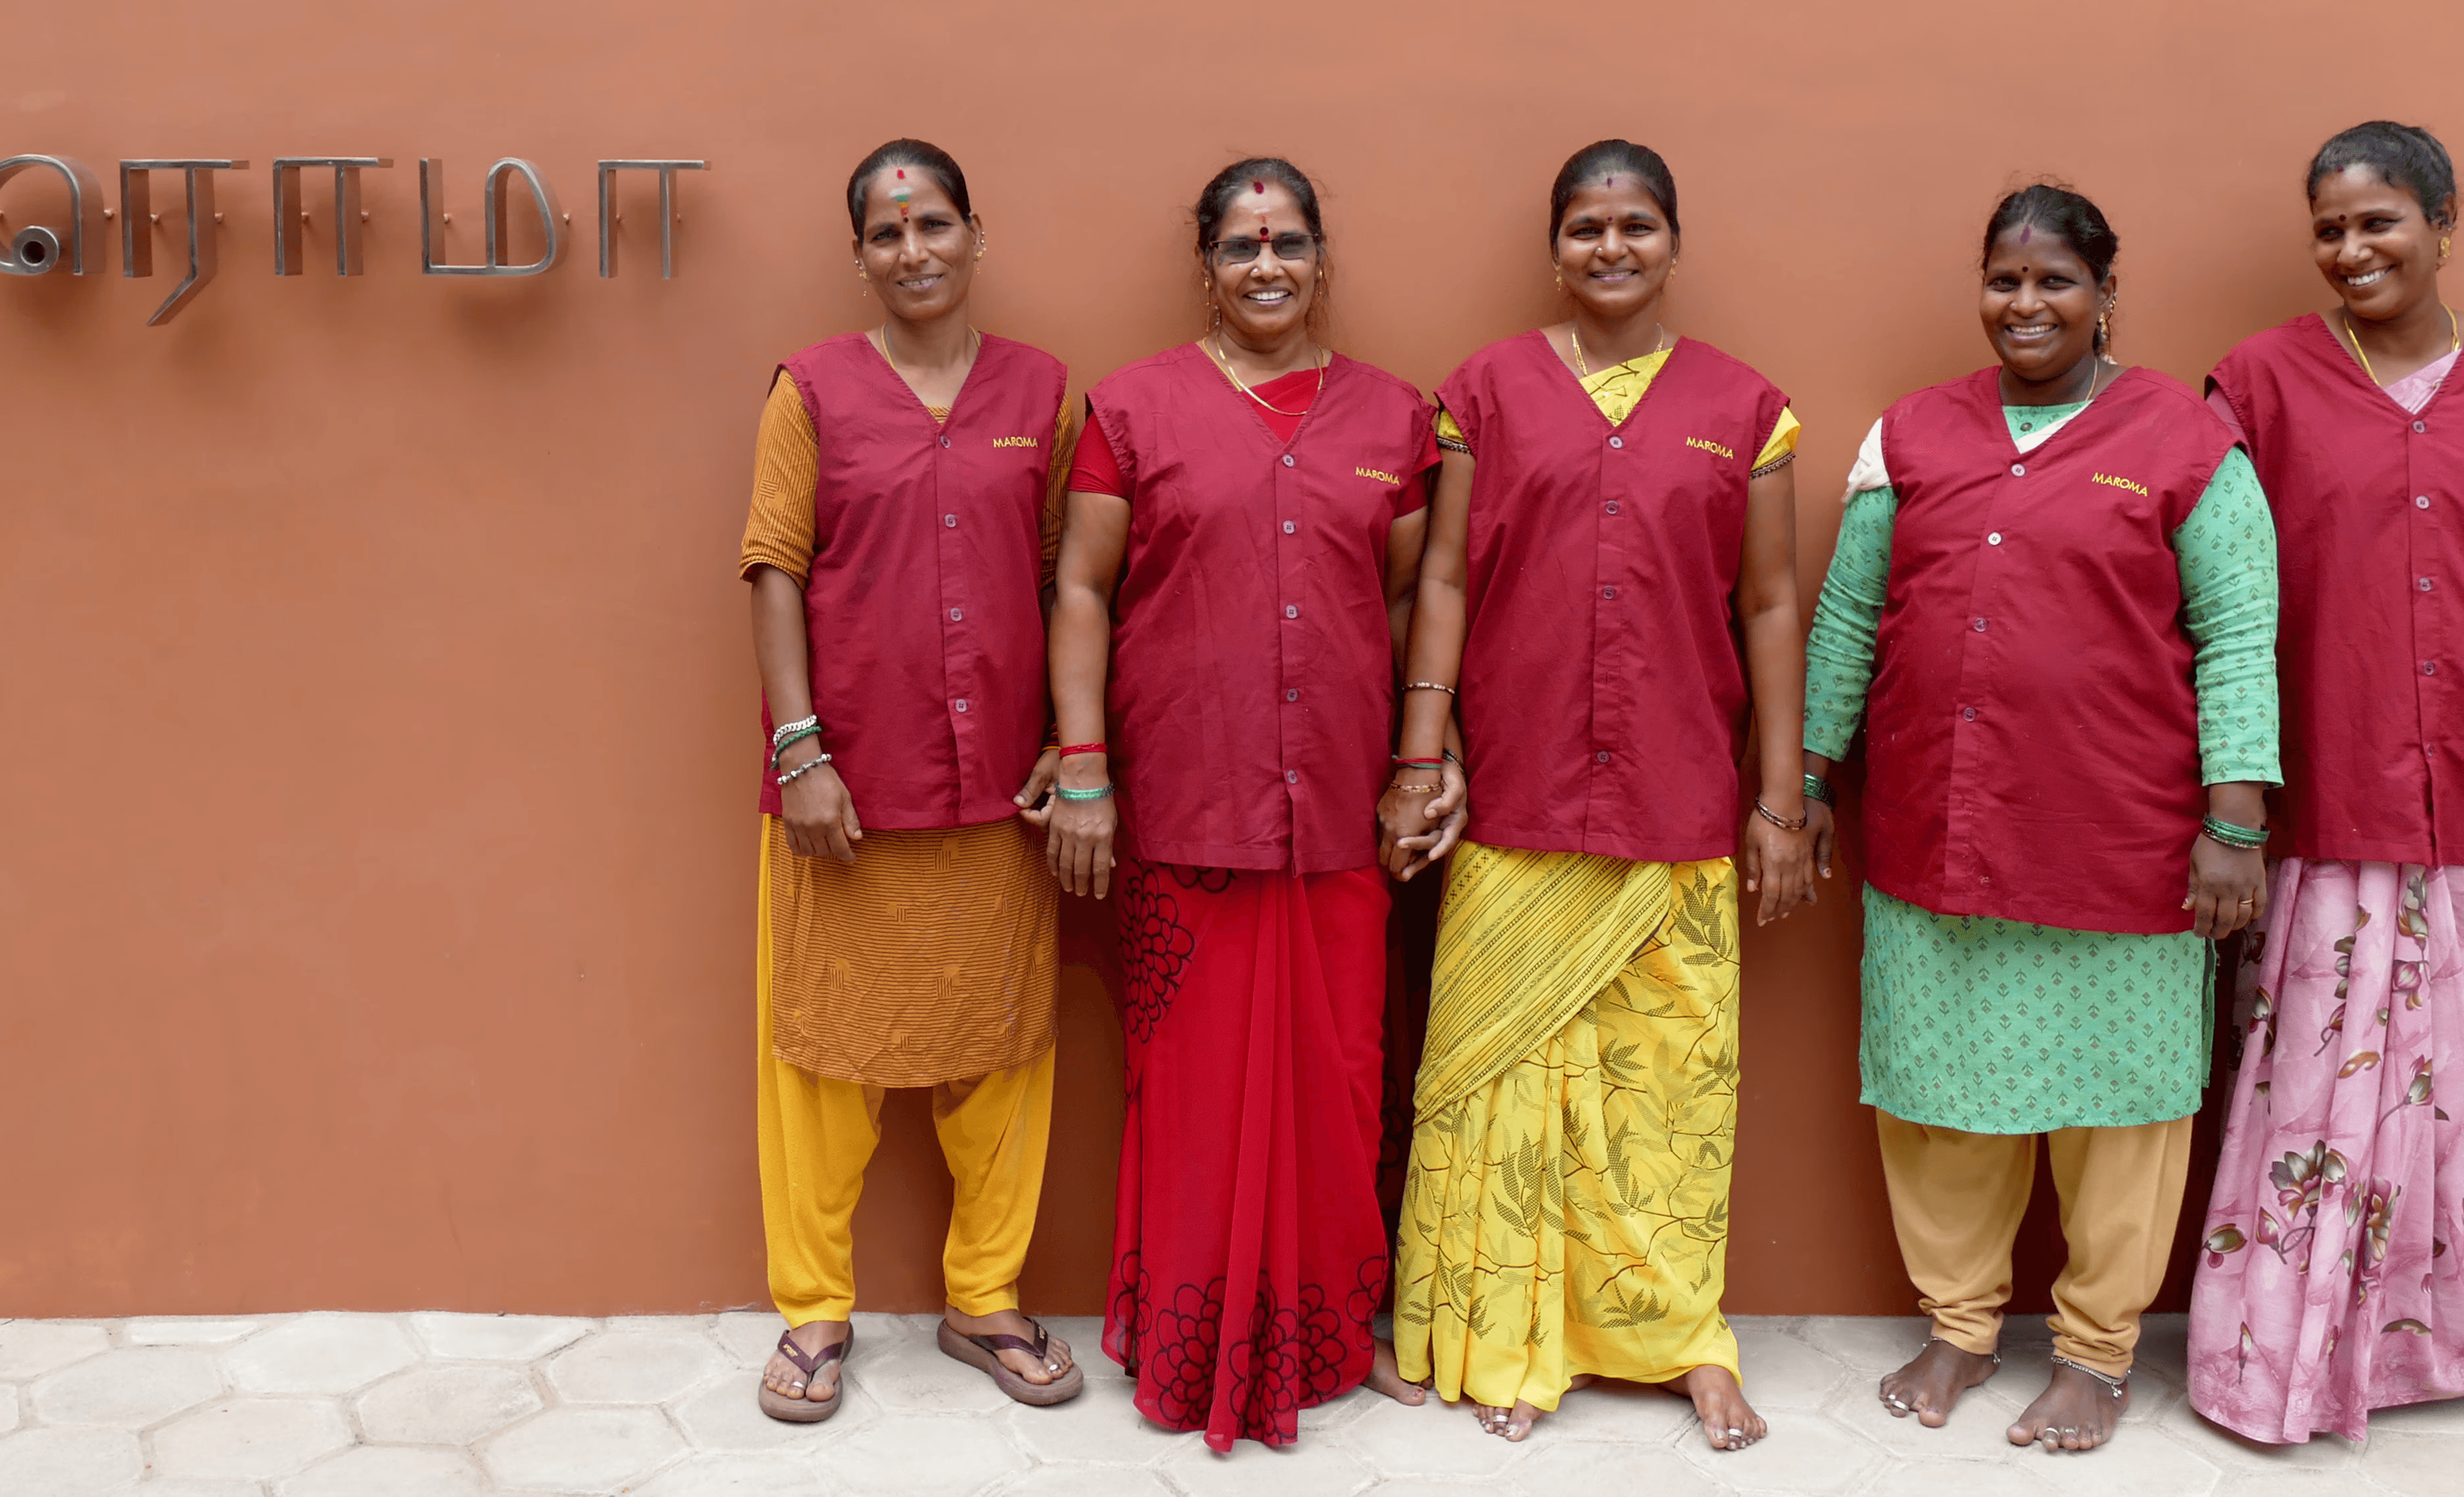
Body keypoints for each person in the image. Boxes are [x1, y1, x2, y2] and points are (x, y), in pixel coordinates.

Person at [1802, 183, 2280, 1455]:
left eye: (2055, 282)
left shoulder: (2184, 442)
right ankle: (1960, 1325)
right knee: (1941, 1098)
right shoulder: (1908, 436)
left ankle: (2095, 1353)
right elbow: (1850, 617)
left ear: (2106, 294)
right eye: (2005, 282)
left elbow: (2238, 633)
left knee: (2123, 1110)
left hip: (2119, 840)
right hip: (1936, 829)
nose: (2027, 305)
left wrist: (2233, 817)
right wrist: (1805, 774)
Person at [2187, 121, 2464, 1455]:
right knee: (2313, 1096)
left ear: (2437, 223)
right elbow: (2218, 598)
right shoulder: (2254, 387)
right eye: (2327, 226)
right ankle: (2289, 1347)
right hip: (2330, 804)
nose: (2349, 247)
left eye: (2377, 220)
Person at [1383, 139, 1811, 1453]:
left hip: (1677, 798)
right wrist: (1418, 751)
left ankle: (1681, 1337)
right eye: (1584, 227)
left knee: (1668, 1094)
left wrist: (1780, 801)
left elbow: (1769, 600)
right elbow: (1442, 579)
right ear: (1554, 247)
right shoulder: (1484, 394)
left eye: (1633, 225)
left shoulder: (1746, 412)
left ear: (1671, 241)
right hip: (1512, 792)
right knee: (1495, 1076)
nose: (1609, 248)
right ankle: (1507, 1330)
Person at [1042, 156, 1438, 1451]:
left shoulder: (1391, 420)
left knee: (1335, 1075)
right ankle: (1189, 1334)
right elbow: (1083, 591)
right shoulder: (1132, 410)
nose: (1263, 266)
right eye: (1237, 246)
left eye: (1285, 243)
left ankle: (1330, 1322)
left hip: (1332, 807)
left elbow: (1397, 602)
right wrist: (1085, 765)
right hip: (1184, 807)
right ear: (1204, 265)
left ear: (1322, 258)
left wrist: (1416, 760)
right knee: (1197, 1086)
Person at [739, 140, 1083, 1420]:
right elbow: (774, 566)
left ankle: (983, 1298)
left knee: (1002, 1050)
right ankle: (812, 1312)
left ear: (974, 234)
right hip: (848, 792)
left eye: (934, 225)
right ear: (860, 257)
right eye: (887, 235)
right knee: (823, 1056)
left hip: (999, 786)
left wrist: (1069, 740)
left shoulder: (1041, 391)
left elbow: (1067, 581)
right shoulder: (811, 389)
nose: (914, 252)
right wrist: (802, 750)